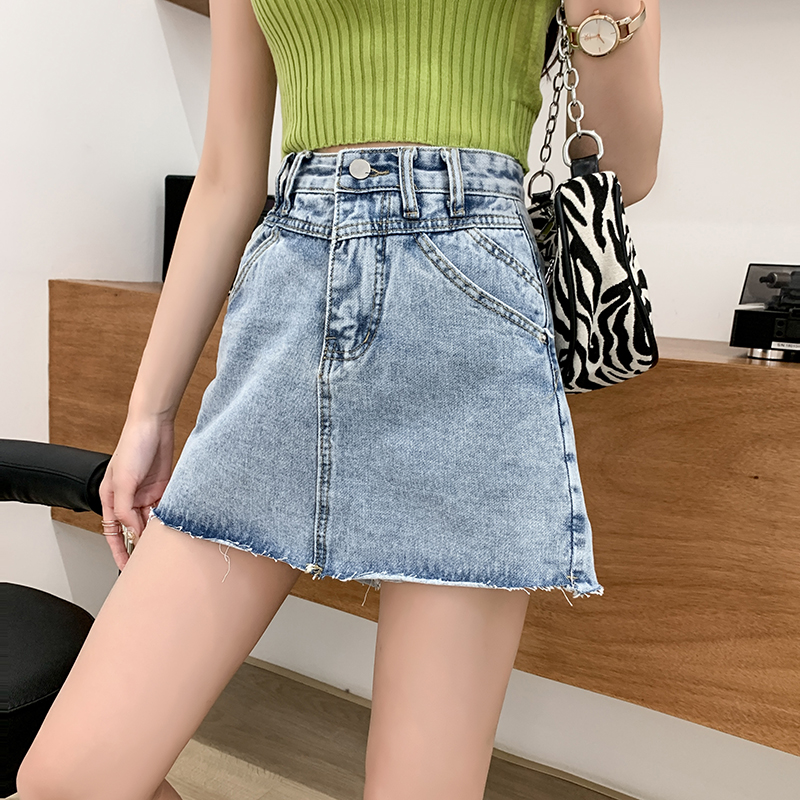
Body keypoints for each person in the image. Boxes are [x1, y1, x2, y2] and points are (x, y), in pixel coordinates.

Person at [17, 1, 661, 798]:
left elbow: (628, 166)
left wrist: (606, 15)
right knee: (71, 779)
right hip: (288, 298)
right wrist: (148, 411)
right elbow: (226, 179)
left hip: (467, 318)